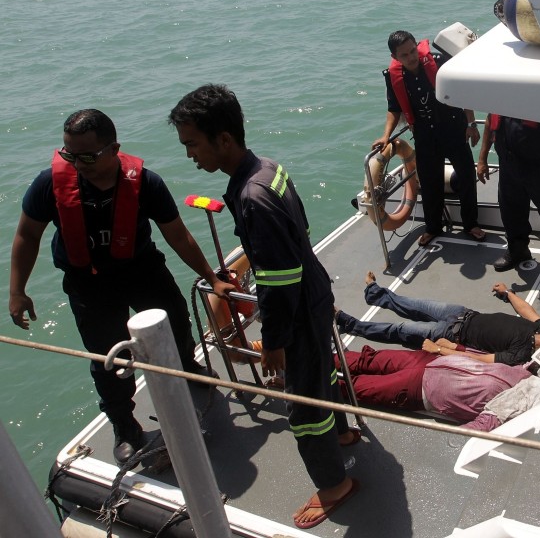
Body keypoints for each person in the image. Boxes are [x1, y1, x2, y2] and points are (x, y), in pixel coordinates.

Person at [168, 85, 359, 530]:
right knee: (323, 373)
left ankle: (335, 486)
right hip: (314, 290)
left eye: (192, 144)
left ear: (224, 140)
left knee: (303, 402)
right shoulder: (268, 169)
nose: (190, 155)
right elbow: (299, 232)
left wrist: (273, 344)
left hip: (295, 308)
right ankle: (345, 431)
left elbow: (276, 283)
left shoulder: (251, 197)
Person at [8, 109, 232, 467]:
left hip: (140, 269)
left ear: (114, 148)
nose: (78, 163)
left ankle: (188, 363)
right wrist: (17, 290)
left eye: (88, 156)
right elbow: (27, 235)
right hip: (88, 283)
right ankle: (125, 427)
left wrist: (212, 276)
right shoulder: (49, 184)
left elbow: (176, 233)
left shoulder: (145, 182)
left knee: (176, 322)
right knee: (108, 359)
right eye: (70, 154)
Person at [373, 30, 485, 247]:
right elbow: (394, 109)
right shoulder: (394, 76)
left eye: (413, 51)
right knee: (429, 182)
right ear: (396, 58)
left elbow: (462, 92)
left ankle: (471, 224)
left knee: (466, 177)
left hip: (453, 130)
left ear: (417, 46)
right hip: (425, 136)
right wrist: (386, 136)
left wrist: (471, 124)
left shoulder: (439, 62)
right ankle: (433, 227)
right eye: (404, 55)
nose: (411, 57)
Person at [336, 272, 540, 366]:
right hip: (462, 313)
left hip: (448, 334)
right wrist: (508, 294)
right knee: (408, 303)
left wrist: (441, 350)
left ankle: (348, 324)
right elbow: (526, 310)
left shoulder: (520, 354)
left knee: (397, 329)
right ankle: (375, 293)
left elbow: (480, 361)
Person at [341, 343, 534, 431]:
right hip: (430, 360)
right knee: (367, 359)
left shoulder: (513, 407)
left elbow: (475, 429)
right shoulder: (526, 372)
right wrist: (457, 348)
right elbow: (485, 360)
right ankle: (318, 358)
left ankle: (317, 383)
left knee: (356, 387)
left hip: (418, 387)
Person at [476, 114, 540, 271]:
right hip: (508, 162)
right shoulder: (502, 94)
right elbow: (490, 120)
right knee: (510, 210)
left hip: (538, 166)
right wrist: (482, 158)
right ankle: (518, 250)